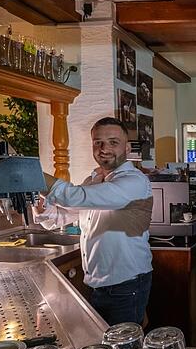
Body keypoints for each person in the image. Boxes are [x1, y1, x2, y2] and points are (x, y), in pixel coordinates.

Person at [34, 117, 154, 326]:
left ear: (127, 148)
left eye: (113, 142)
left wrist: (29, 175)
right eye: (98, 142)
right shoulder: (94, 180)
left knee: (122, 344)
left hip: (126, 284)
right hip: (97, 284)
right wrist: (40, 204)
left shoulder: (134, 181)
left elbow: (73, 197)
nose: (104, 148)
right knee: (104, 340)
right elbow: (62, 216)